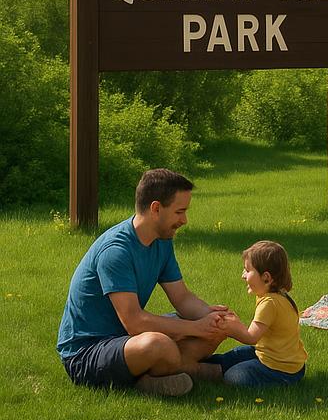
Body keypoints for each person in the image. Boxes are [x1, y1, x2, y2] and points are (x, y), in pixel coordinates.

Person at [57, 169, 229, 397]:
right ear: (156, 208)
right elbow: (135, 323)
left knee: (214, 328)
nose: (184, 220)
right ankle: (202, 371)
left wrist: (211, 318)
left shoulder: (161, 241)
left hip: (126, 341)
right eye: (180, 212)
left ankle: (148, 378)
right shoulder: (116, 251)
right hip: (87, 352)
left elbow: (182, 298)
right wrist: (195, 327)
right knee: (158, 345)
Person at [202, 241, 307, 387]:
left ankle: (205, 372)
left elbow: (251, 337)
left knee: (234, 376)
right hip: (270, 355)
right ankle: (203, 368)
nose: (243, 276)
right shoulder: (277, 295)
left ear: (266, 278)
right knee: (233, 356)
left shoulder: (270, 303)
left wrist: (231, 328)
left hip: (282, 369)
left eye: (247, 270)